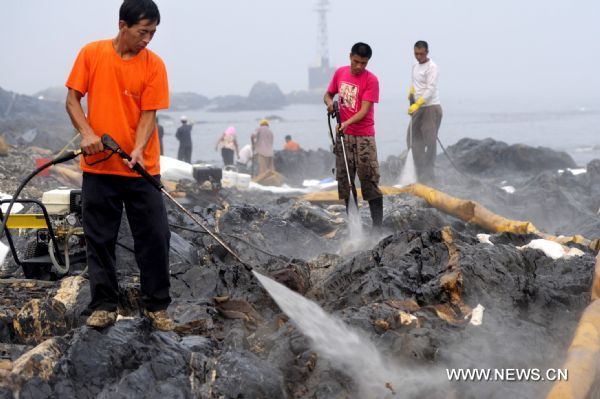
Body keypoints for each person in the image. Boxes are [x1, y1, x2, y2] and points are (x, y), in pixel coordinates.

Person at [65, 0, 173, 331]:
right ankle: (104, 305)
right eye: (143, 32)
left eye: (153, 33)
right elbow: (72, 100)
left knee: (155, 235)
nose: (148, 40)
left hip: (142, 169)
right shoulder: (92, 54)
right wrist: (87, 133)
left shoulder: (154, 65)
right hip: (99, 167)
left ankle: (156, 306)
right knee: (99, 238)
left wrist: (139, 149)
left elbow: (149, 113)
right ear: (122, 25)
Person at [324, 42, 383, 229]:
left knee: (369, 183)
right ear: (350, 56)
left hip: (364, 138)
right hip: (344, 138)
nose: (359, 66)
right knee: (346, 183)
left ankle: (377, 229)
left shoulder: (371, 80)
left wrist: (346, 123)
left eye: (363, 63)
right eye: (356, 61)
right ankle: (354, 228)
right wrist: (329, 103)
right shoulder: (340, 73)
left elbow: (364, 110)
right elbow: (328, 94)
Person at [407, 40, 443, 183]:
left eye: (421, 54)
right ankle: (419, 170)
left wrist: (419, 102)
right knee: (412, 138)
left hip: (431, 108)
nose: (419, 56)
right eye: (416, 53)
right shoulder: (414, 66)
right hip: (418, 107)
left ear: (427, 52)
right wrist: (411, 93)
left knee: (429, 140)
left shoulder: (432, 67)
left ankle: (429, 173)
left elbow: (430, 88)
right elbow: (415, 83)